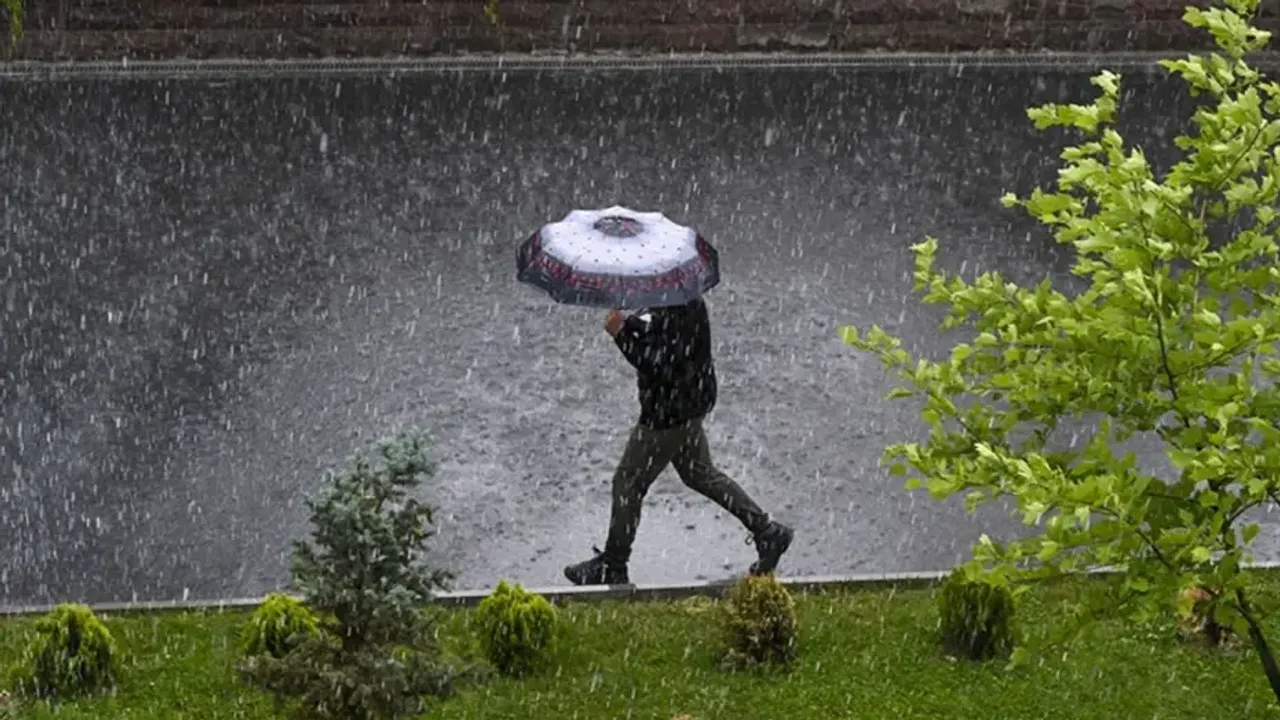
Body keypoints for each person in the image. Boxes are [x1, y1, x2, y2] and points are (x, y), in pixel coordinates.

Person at [563, 297, 794, 586]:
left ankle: (614, 564)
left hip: (668, 413)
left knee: (628, 483)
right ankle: (768, 533)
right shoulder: (680, 297)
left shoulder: (675, 306)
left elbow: (661, 365)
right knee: (698, 472)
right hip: (689, 403)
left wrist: (620, 335)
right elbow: (659, 334)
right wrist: (630, 323)